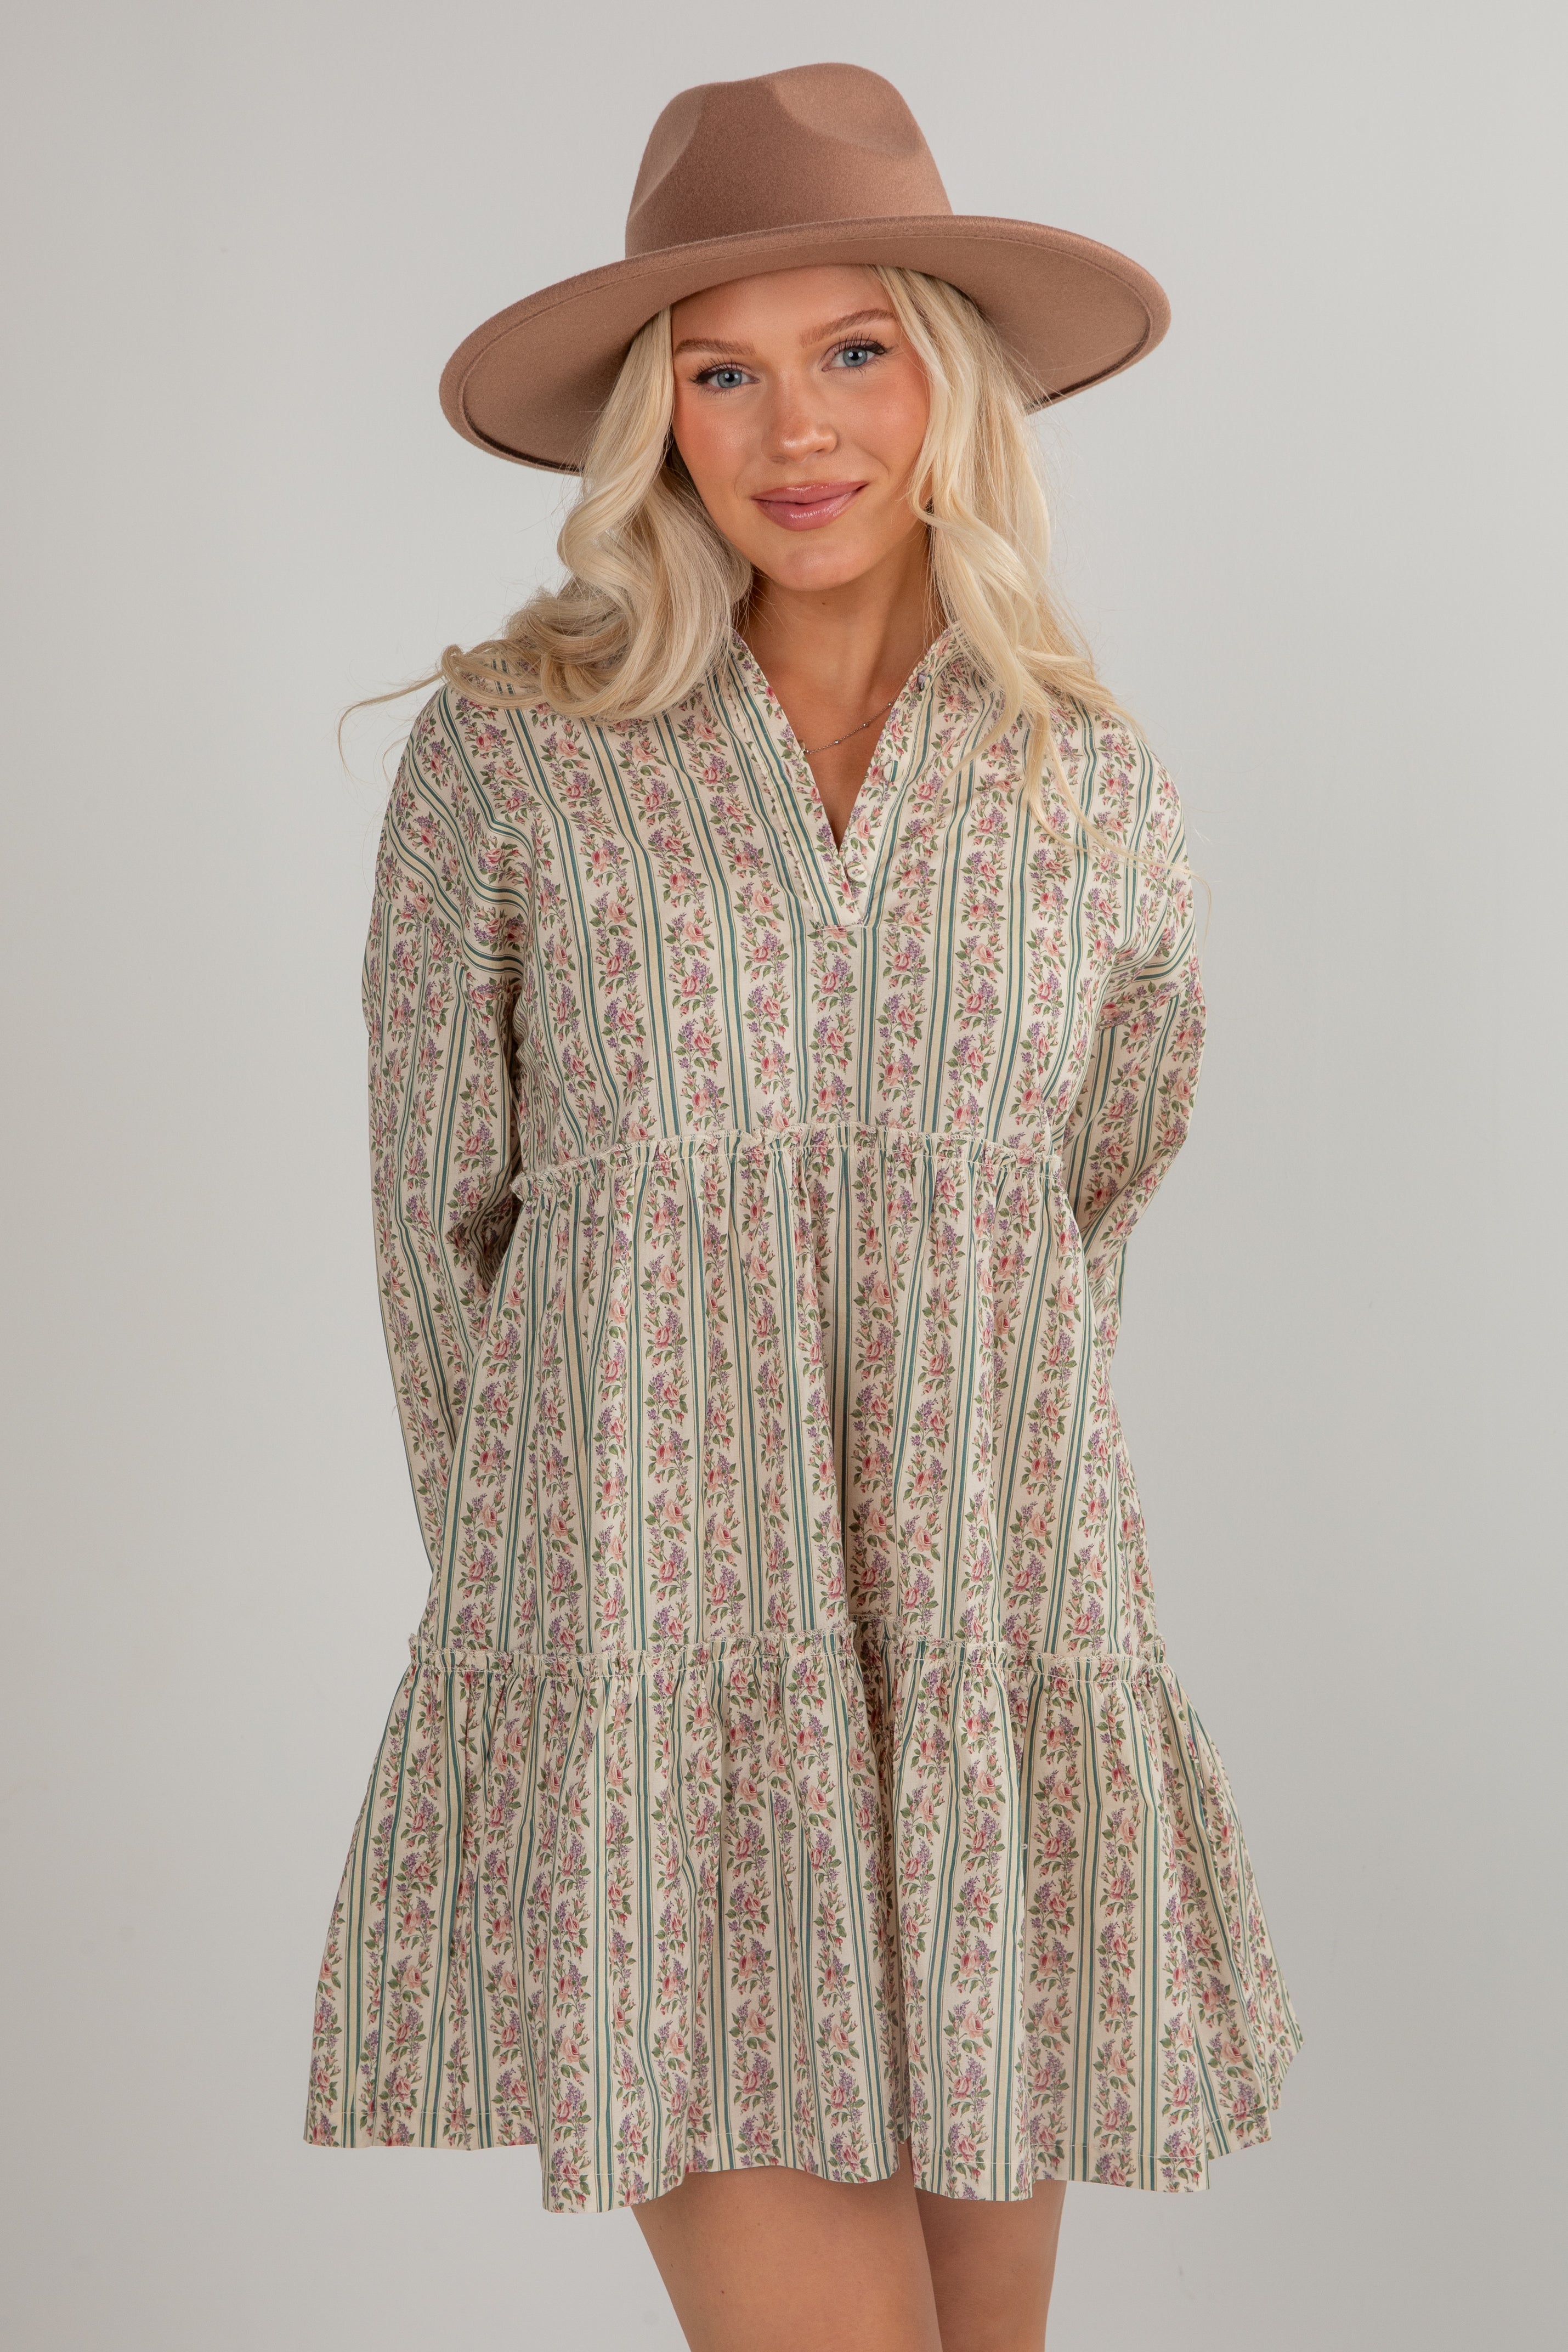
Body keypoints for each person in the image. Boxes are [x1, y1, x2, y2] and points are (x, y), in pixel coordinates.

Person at [306, 63, 1299, 2351]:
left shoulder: (1090, 786)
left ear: (946, 381)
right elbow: (431, 1226)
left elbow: (1085, 1210)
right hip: (655, 1683)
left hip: (980, 1688)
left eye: (853, 350)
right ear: (654, 424)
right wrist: (563, 1648)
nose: (794, 429)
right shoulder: (510, 754)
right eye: (719, 373)